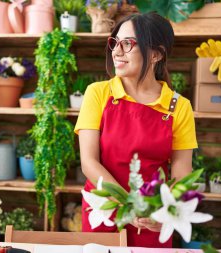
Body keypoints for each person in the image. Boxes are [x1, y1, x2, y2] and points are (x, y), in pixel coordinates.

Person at [74, 12, 198, 248]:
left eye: (128, 44)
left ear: (156, 54)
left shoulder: (178, 107)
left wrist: (165, 212)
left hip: (151, 219)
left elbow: (182, 174)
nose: (117, 51)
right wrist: (129, 206)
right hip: (104, 211)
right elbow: (89, 162)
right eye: (115, 43)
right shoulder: (98, 93)